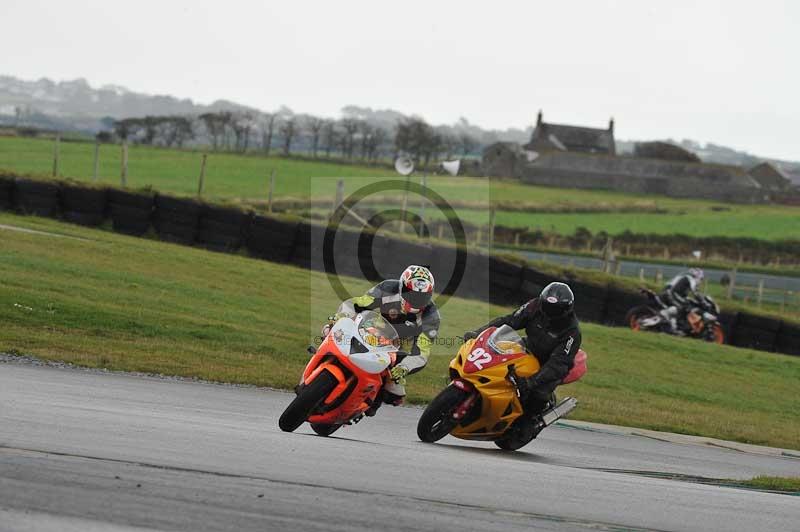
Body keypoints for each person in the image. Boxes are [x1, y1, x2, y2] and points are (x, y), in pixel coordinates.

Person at [463, 281, 581, 438]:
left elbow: (558, 364)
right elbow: (510, 321)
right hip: (528, 346)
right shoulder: (535, 306)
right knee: (496, 362)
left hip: (549, 364)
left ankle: (530, 423)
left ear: (566, 310)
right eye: (547, 306)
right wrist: (479, 333)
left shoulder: (572, 331)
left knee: (537, 394)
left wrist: (532, 381)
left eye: (555, 309)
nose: (549, 312)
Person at [322, 265, 440, 414]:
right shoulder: (387, 288)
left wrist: (404, 368)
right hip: (370, 327)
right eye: (411, 294)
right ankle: (323, 359)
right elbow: (357, 304)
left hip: (396, 347)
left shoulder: (432, 317)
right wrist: (341, 316)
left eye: (422, 297)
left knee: (395, 393)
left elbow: (421, 352)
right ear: (401, 287)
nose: (416, 300)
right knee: (329, 329)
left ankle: (369, 403)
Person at [659, 268, 704, 334]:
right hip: (670, 293)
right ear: (697, 276)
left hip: (669, 292)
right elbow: (695, 292)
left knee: (687, 304)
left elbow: (684, 293)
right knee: (683, 307)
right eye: (701, 278)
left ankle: (676, 324)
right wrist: (702, 301)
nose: (701, 281)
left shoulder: (685, 277)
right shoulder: (690, 279)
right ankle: (672, 326)